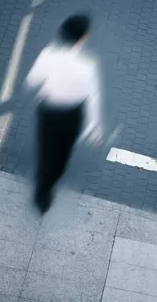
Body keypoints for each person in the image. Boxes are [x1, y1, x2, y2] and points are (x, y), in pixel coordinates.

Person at [24, 13, 104, 214]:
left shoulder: (48, 55)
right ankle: (51, 182)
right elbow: (92, 98)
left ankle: (42, 191)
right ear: (83, 37)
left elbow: (32, 81)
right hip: (71, 116)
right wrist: (94, 130)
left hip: (48, 111)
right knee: (62, 154)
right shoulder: (87, 65)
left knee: (46, 151)